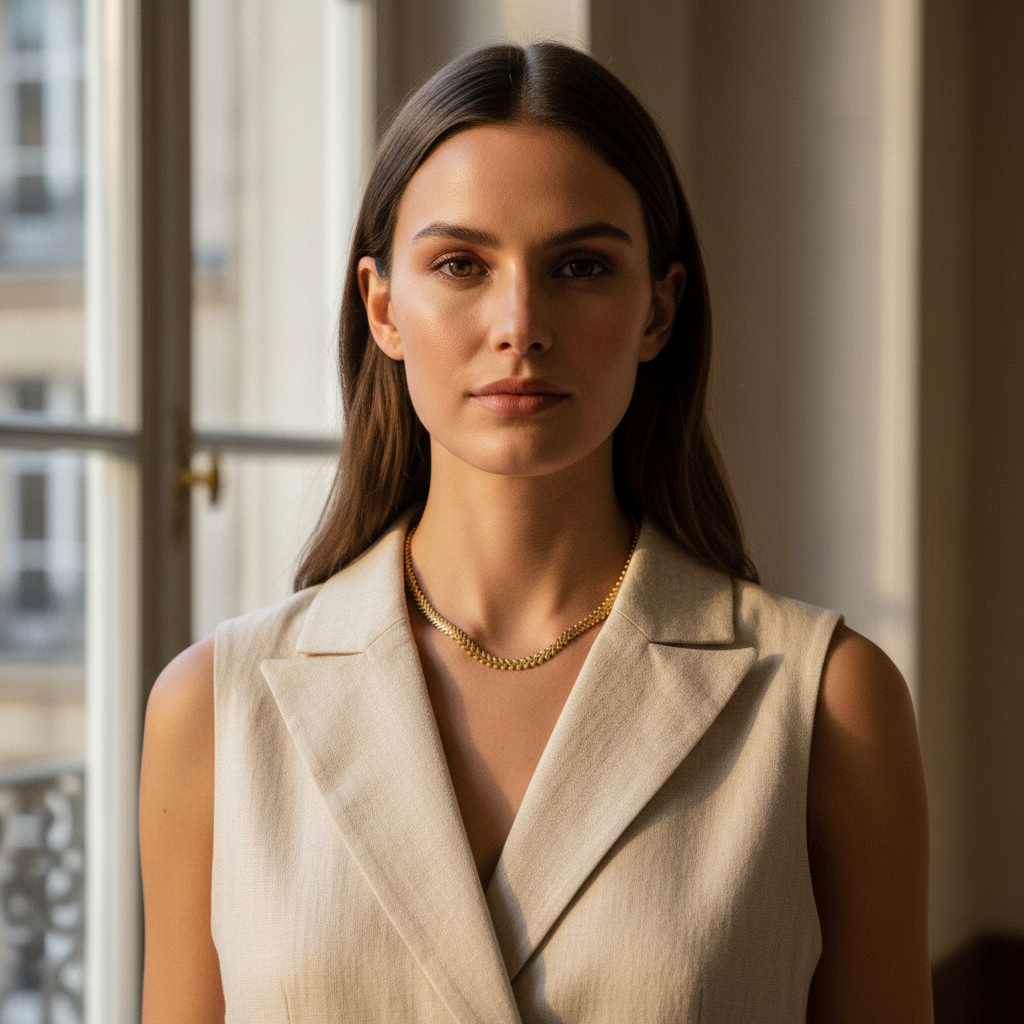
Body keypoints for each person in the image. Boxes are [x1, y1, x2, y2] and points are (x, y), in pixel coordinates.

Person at [139, 42, 932, 1024]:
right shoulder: (216, 711)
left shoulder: (827, 702)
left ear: (659, 310)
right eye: (460, 264)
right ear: (383, 306)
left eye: (582, 265)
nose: (519, 321)